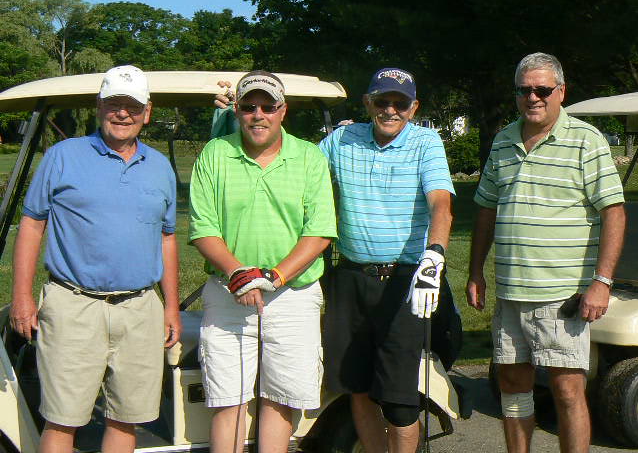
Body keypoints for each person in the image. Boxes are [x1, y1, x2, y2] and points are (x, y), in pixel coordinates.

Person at [9, 65, 182, 453]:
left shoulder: (160, 167)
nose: (123, 113)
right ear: (99, 106)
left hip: (139, 308)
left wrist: (170, 306)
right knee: (63, 419)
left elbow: (167, 237)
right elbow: (32, 224)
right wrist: (22, 296)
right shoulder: (63, 156)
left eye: (132, 106)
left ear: (147, 112)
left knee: (126, 419)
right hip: (73, 305)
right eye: (114, 104)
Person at [465, 52, 625, 453]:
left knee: (567, 389)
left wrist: (602, 282)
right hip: (511, 292)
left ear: (561, 92)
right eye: (524, 90)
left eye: (542, 89)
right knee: (512, 385)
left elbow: (614, 212)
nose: (533, 97)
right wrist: (475, 271)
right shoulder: (503, 140)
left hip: (562, 294)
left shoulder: (586, 140)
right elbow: (485, 208)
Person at [190, 70, 337, 453]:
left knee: (281, 400)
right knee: (228, 400)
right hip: (228, 294)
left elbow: (320, 231)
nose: (259, 115)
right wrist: (238, 273)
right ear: (237, 110)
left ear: (282, 111)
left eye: (268, 107)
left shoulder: (308, 156)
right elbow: (203, 227)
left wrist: (274, 276)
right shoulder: (215, 153)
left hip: (293, 295)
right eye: (249, 106)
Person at [319, 68, 457, 453]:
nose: (391, 110)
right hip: (351, 279)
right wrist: (231, 121)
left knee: (399, 400)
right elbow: (297, 166)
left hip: (407, 281)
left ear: (414, 107)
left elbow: (440, 203)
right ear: (368, 103)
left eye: (400, 103)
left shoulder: (426, 142)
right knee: (357, 387)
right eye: (383, 101)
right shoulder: (341, 139)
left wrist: (434, 255)